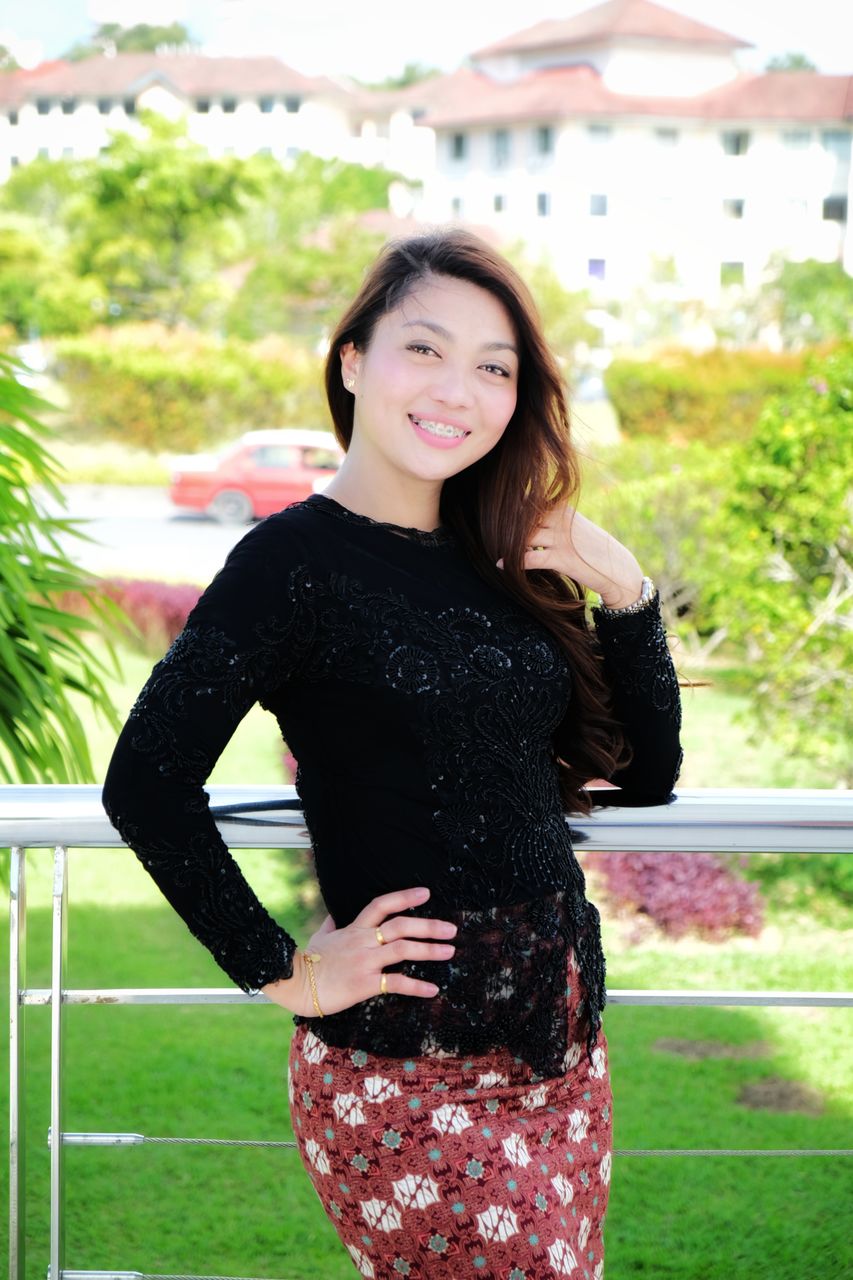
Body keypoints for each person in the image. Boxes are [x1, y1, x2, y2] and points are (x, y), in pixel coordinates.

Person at [102, 227, 682, 1279]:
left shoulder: (502, 552)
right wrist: (285, 969)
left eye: (493, 366)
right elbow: (145, 778)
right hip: (407, 1075)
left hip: (559, 1051)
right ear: (354, 360)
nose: (458, 388)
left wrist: (625, 590)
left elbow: (644, 773)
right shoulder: (292, 561)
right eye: (425, 348)